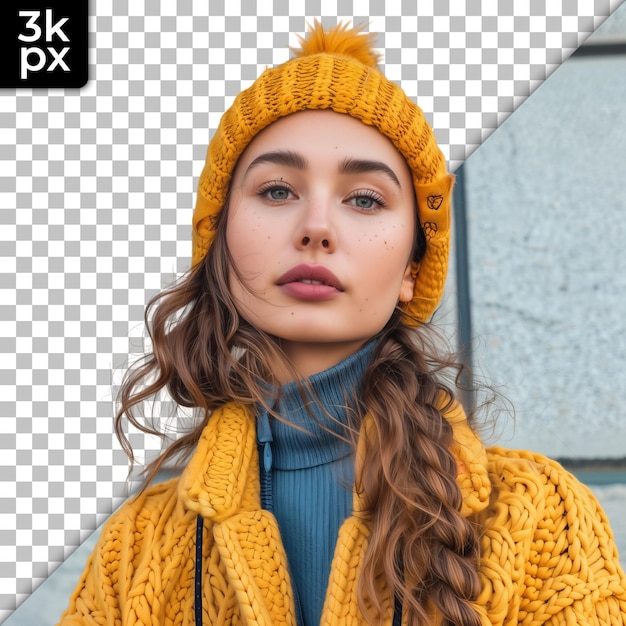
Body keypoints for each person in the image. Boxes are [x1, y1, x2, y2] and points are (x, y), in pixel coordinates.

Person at [58, 21, 626, 626]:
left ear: (413, 267)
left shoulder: (542, 518)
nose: (317, 226)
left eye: (364, 199)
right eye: (277, 191)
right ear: (220, 243)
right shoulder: (136, 549)